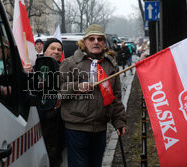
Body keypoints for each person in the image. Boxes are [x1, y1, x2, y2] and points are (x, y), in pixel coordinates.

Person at [59, 24, 126, 167]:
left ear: (104, 43)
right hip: (76, 128)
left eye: (100, 39)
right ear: (84, 42)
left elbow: (116, 96)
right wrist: (76, 86)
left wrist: (119, 121)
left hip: (100, 128)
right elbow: (57, 92)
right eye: (91, 38)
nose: (96, 42)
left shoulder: (110, 65)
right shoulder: (69, 63)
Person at [23, 38, 64, 167]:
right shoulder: (34, 69)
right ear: (45, 50)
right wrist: (25, 74)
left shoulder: (66, 69)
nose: (56, 51)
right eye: (53, 48)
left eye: (59, 49)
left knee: (55, 157)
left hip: (59, 123)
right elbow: (26, 91)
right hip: (37, 122)